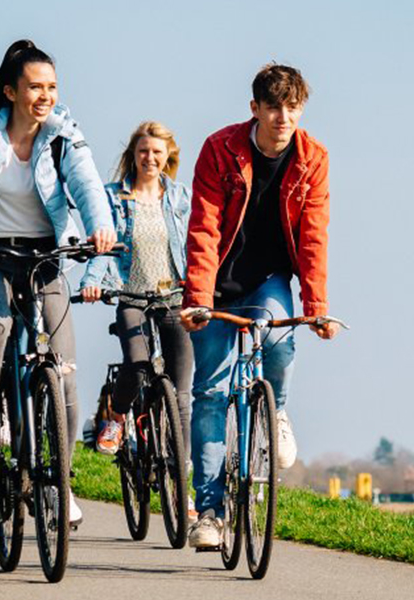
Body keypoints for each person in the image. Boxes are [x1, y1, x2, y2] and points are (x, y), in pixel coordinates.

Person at [0, 39, 116, 526]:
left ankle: (60, 482)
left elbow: (87, 184)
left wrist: (101, 227)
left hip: (43, 255)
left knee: (63, 368)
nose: (46, 96)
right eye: (35, 87)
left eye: (52, 87)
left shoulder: (63, 136)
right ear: (11, 92)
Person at [180, 64, 341, 548]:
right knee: (209, 393)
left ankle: (279, 410)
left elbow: (314, 234)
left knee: (278, 334)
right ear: (255, 109)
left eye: (292, 107)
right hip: (218, 281)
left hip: (268, 277)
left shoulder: (313, 157)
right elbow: (204, 227)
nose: (282, 117)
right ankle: (208, 512)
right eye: (273, 107)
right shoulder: (220, 149)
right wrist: (198, 300)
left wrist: (316, 305)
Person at [80, 121, 196, 520]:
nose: (150, 158)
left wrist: (205, 288)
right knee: (138, 362)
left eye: (157, 153)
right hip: (129, 295)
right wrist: (93, 284)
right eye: (144, 151)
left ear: (168, 157)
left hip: (173, 300)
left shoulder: (180, 197)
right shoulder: (113, 198)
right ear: (134, 154)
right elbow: (104, 245)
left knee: (181, 395)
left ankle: (184, 491)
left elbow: (197, 246)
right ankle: (115, 415)